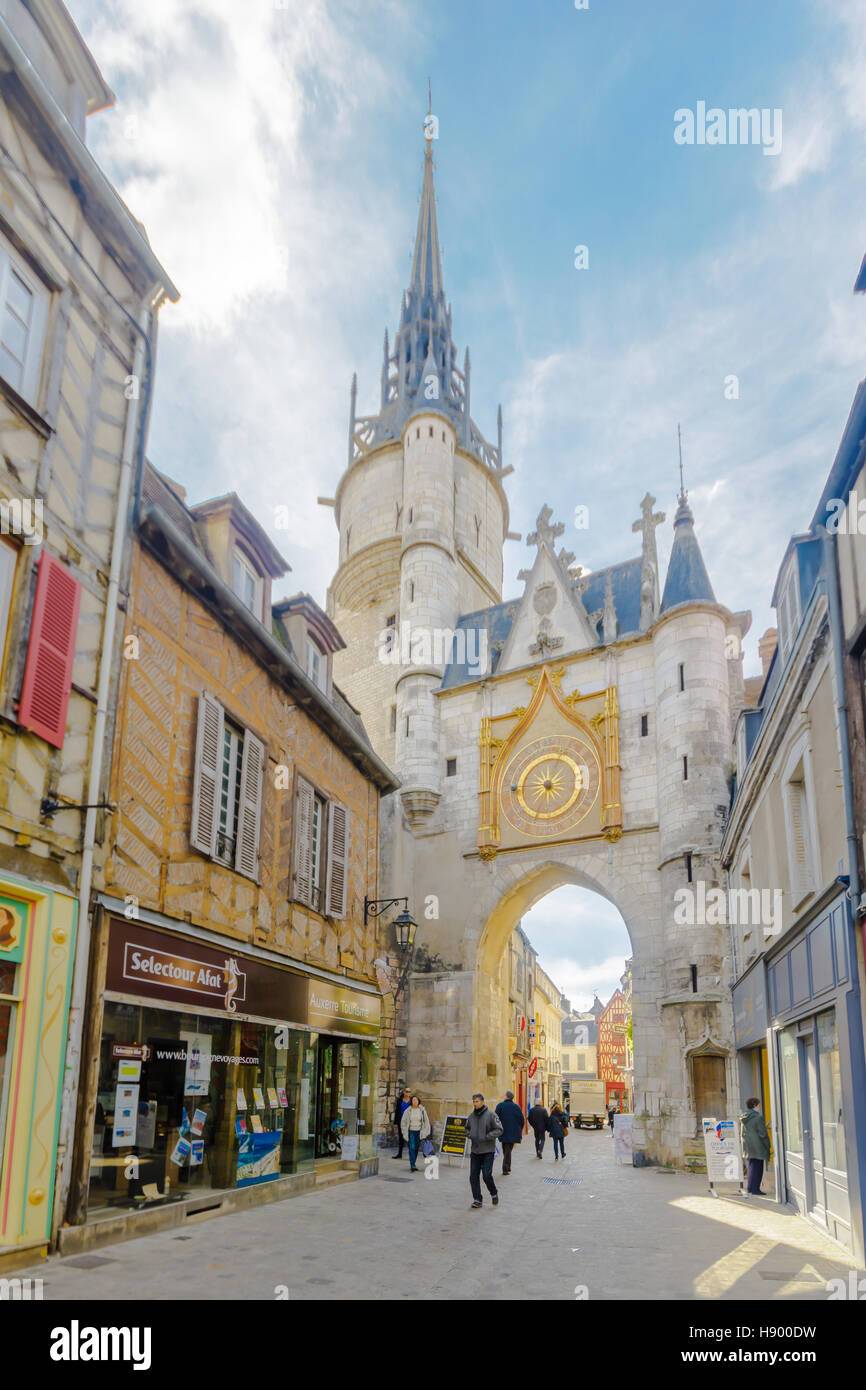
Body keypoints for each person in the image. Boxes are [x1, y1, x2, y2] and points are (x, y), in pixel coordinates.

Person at [465, 1093, 503, 1208]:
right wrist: (469, 1134)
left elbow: (499, 1129)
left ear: (482, 1102)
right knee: (473, 1176)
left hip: (487, 1151)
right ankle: (477, 1199)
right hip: (475, 1151)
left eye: (477, 1101)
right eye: (474, 1101)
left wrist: (487, 1136)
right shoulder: (471, 1117)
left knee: (486, 1175)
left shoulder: (491, 1115)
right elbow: (466, 1129)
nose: (475, 1104)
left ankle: (493, 1192)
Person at [741, 1097, 771, 1195]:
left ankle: (750, 1188)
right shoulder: (758, 1117)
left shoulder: (744, 1116)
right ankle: (755, 1189)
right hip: (758, 1146)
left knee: (751, 1166)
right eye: (758, 1104)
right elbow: (763, 1134)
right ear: (754, 1105)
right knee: (758, 1168)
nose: (759, 1106)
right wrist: (768, 1145)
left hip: (748, 1145)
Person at [494, 1090, 525, 1175]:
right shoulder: (516, 1107)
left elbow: (494, 1118)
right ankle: (506, 1168)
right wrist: (519, 1129)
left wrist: (496, 1128)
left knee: (506, 1149)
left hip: (503, 1131)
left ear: (506, 1096)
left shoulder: (500, 1105)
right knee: (507, 1149)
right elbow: (522, 1120)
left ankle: (507, 1167)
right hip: (513, 1132)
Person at [400, 1094, 431, 1172]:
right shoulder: (408, 1111)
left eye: (416, 1100)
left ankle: (413, 1162)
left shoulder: (422, 1110)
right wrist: (404, 1131)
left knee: (416, 1148)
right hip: (411, 1131)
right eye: (413, 1100)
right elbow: (403, 1122)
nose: (415, 1101)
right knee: (412, 1147)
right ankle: (412, 1165)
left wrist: (426, 1131)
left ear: (418, 1101)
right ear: (411, 1101)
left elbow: (426, 1121)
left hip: (419, 1131)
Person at [392, 1084, 411, 1159]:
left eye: (409, 1092)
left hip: (409, 1122)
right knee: (401, 1138)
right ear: (404, 1092)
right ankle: (399, 1154)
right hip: (401, 1121)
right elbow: (397, 1111)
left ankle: (411, 1154)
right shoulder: (400, 1100)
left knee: (410, 1138)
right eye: (407, 1091)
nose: (408, 1093)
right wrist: (395, 1122)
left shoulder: (412, 1100)